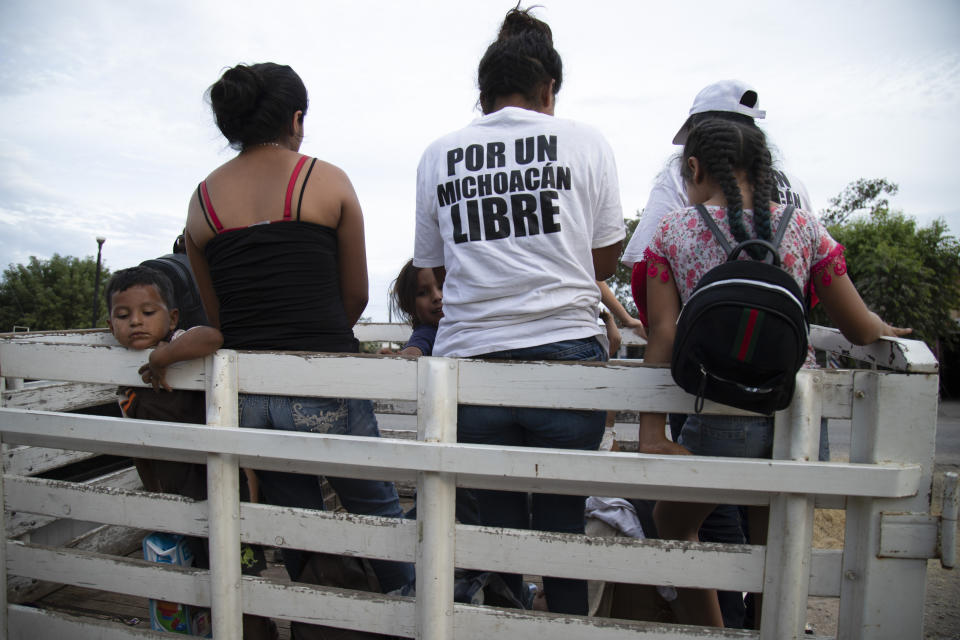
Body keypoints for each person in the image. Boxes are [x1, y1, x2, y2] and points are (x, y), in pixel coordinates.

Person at [637, 118, 911, 627]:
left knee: (671, 524)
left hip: (721, 413)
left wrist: (652, 432)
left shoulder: (673, 232)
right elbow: (856, 327)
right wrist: (881, 325)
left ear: (694, 169)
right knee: (774, 543)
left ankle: (718, 632)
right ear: (764, 172)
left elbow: (663, 334)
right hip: (798, 416)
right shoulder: (804, 227)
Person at [413, 7, 625, 615]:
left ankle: (504, 616)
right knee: (561, 518)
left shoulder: (439, 153)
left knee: (496, 519)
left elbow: (434, 265)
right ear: (548, 89)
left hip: (471, 363)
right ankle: (562, 619)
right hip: (566, 354)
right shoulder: (586, 141)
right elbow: (603, 262)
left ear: (482, 98)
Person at [183, 62, 414, 608]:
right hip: (325, 376)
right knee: (374, 504)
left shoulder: (201, 201)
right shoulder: (325, 179)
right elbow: (354, 295)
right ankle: (409, 602)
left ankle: (316, 614)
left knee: (292, 517)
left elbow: (218, 317)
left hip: (248, 391)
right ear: (296, 118)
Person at [105, 265, 274, 639]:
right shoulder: (109, 359)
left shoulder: (179, 341)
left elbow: (211, 336)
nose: (136, 322)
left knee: (236, 573)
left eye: (148, 313)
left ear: (172, 317)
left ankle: (257, 631)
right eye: (123, 315)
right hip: (165, 489)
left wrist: (164, 358)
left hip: (213, 485)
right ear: (109, 323)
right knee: (184, 582)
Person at [621, 79, 813, 327]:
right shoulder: (795, 187)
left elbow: (644, 272)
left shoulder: (677, 175)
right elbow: (814, 280)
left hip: (702, 349)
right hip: (784, 350)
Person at [386, 258, 444, 356]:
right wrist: (400, 357)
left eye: (442, 287)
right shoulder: (428, 332)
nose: (437, 297)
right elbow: (413, 351)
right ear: (408, 306)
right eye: (422, 293)